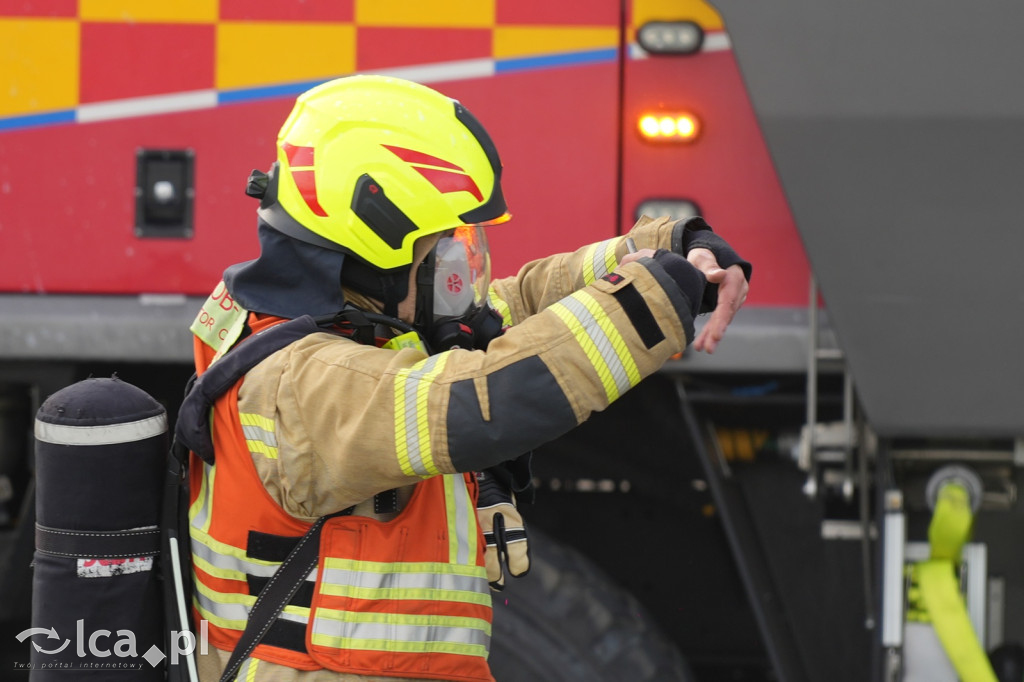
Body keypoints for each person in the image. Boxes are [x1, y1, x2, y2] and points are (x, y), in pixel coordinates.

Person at [179, 74, 750, 682]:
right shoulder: (304, 382)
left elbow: (515, 307)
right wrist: (654, 297)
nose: (460, 266)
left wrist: (671, 245)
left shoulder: (345, 329)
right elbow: (487, 398)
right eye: (441, 246)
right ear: (377, 247)